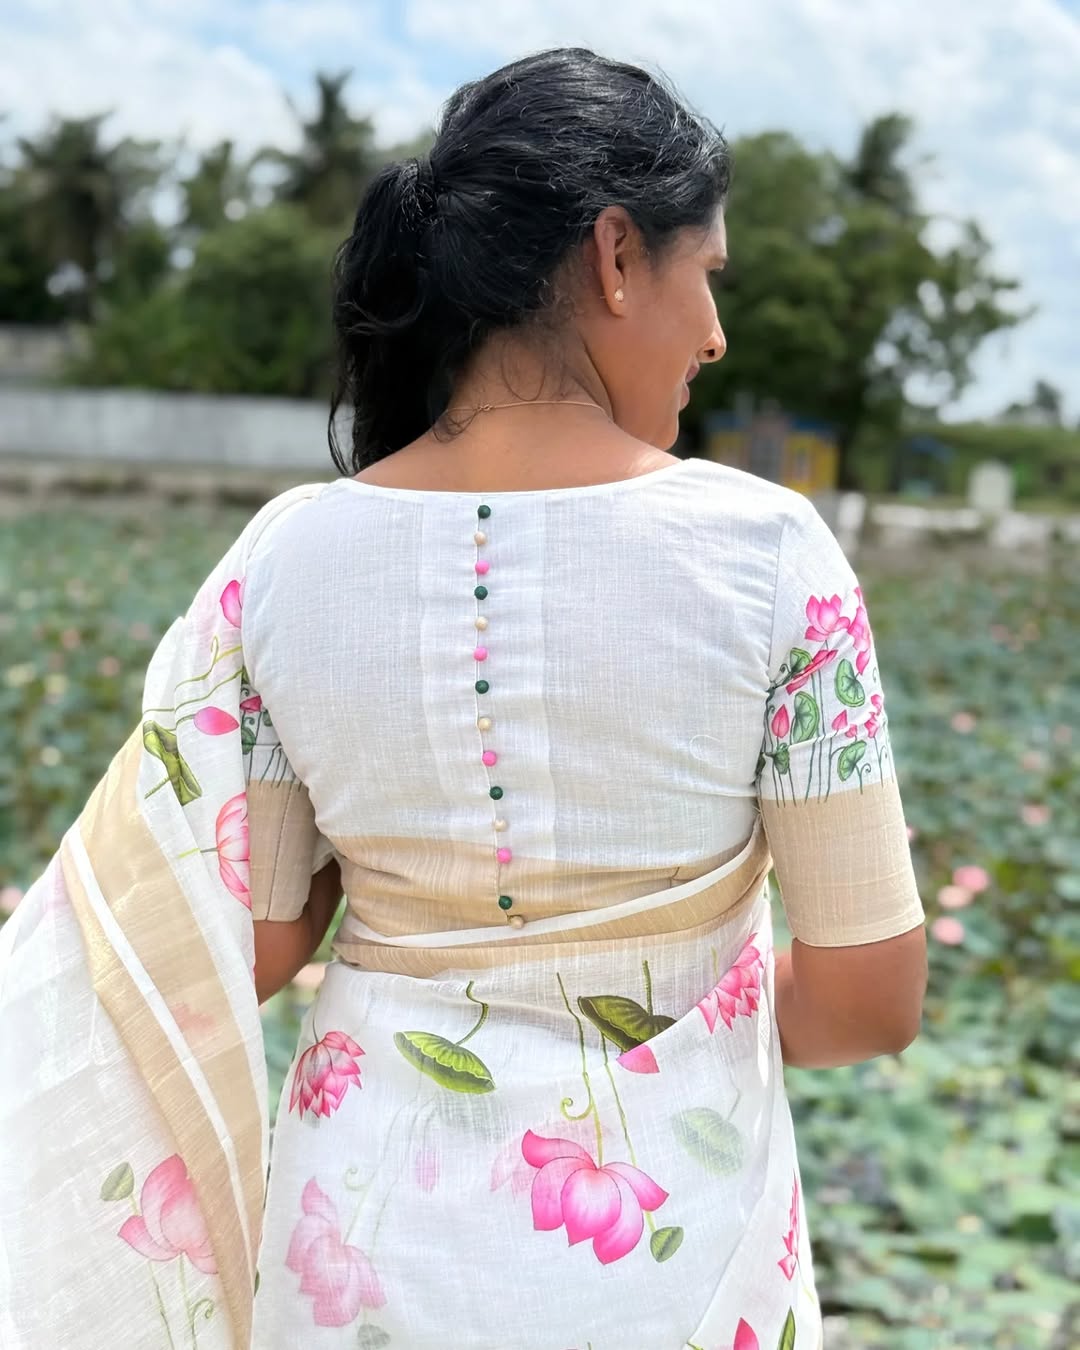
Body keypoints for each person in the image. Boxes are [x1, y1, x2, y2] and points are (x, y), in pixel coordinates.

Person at [0, 47, 927, 1350]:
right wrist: (668, 992)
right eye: (706, 273)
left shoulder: (286, 557)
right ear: (617, 254)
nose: (716, 332)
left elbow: (253, 946)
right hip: (665, 1260)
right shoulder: (772, 555)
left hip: (356, 1258)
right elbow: (870, 998)